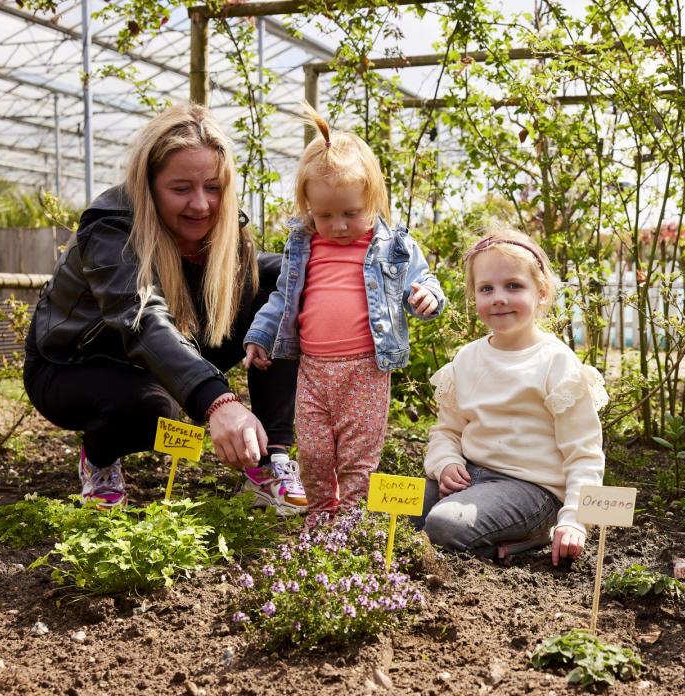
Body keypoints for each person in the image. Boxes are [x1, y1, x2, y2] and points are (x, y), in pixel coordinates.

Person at [24, 104, 307, 515]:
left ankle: (271, 460)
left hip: (157, 358)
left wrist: (310, 272)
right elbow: (141, 319)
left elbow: (263, 279)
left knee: (287, 283)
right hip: (72, 365)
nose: (201, 204)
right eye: (180, 189)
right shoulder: (111, 228)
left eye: (213, 187)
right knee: (153, 409)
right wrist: (218, 402)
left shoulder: (225, 228)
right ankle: (99, 460)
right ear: (149, 184)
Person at [243, 103, 445, 521]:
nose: (337, 226)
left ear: (371, 198)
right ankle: (320, 518)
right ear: (307, 207)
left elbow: (425, 283)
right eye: (325, 215)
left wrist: (427, 296)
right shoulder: (304, 246)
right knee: (315, 451)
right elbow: (282, 297)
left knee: (357, 454)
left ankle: (350, 526)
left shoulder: (395, 246)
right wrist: (260, 335)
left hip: (365, 368)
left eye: (350, 214)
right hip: (314, 368)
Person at [417, 229, 608, 565]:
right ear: (473, 295)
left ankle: (531, 537)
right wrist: (446, 462)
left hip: (531, 490)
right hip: (472, 476)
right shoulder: (467, 359)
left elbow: (584, 453)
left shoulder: (556, 362)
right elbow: (446, 431)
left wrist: (574, 518)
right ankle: (494, 537)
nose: (498, 298)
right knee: (399, 510)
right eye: (486, 288)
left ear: (543, 293)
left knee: (443, 525)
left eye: (514, 286)